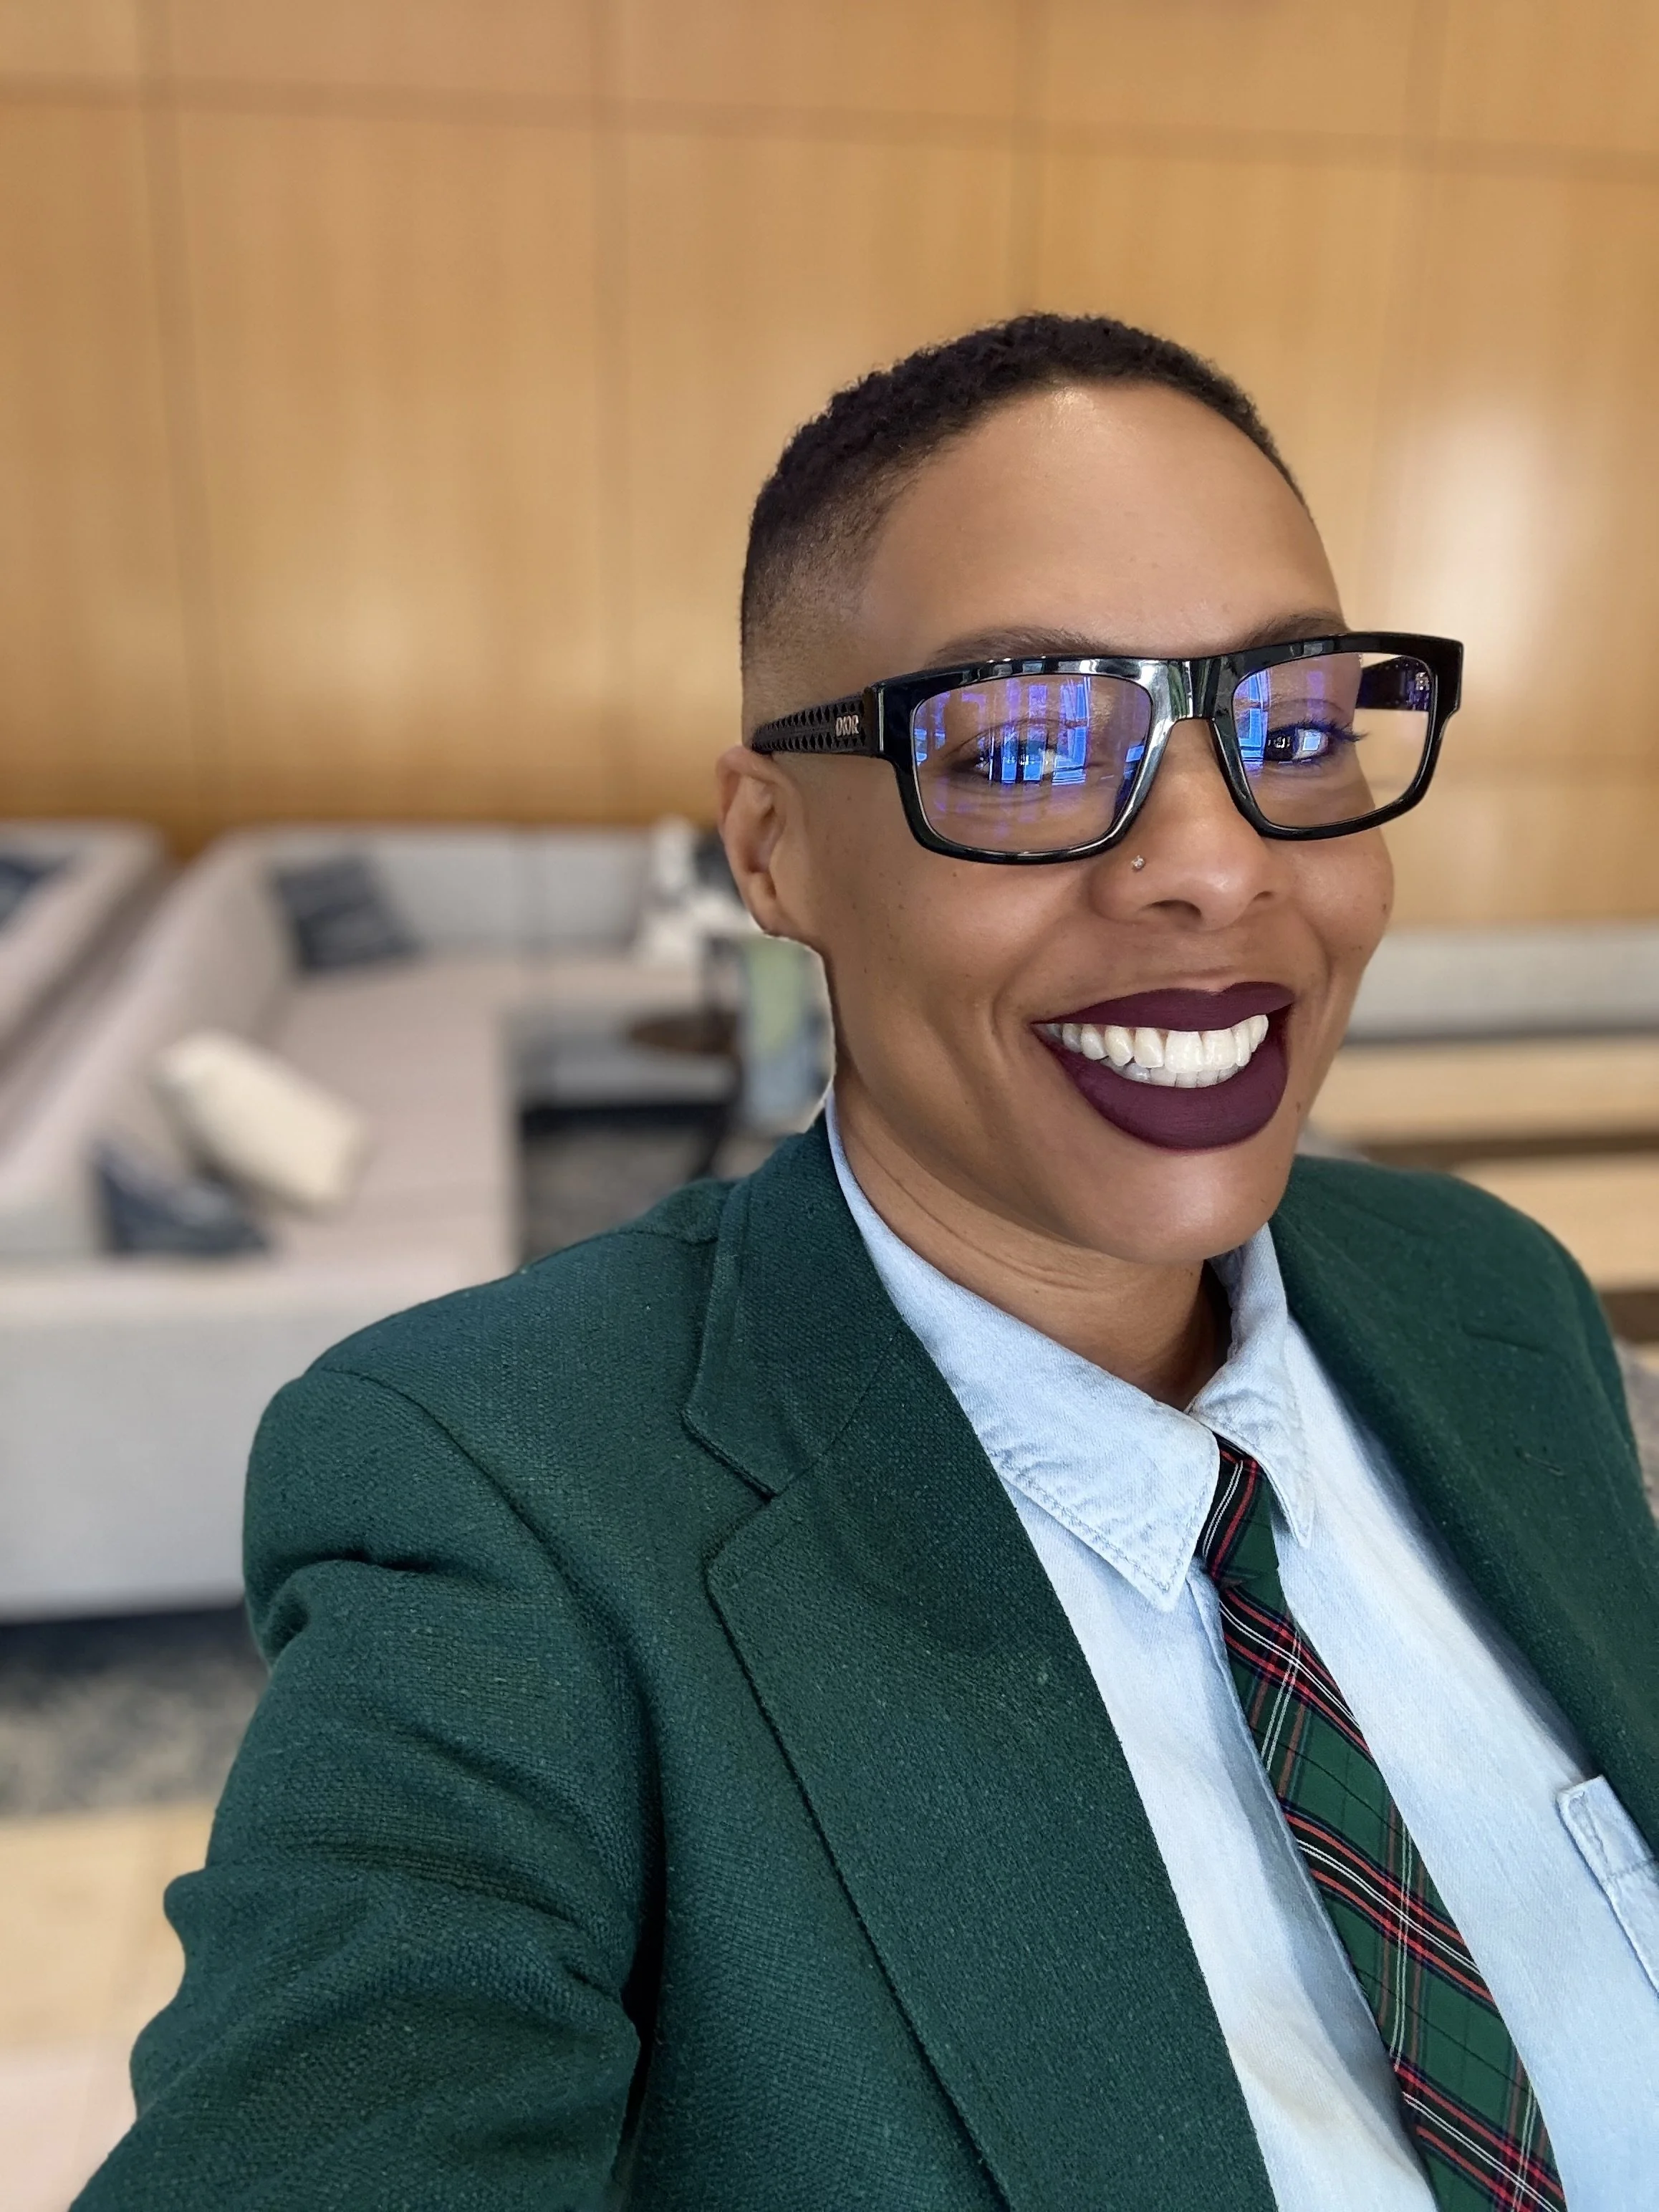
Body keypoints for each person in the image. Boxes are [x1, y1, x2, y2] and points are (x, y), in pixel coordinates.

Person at [79, 316, 1659, 2212]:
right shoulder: (501, 1500)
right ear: (773, 852)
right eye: (1028, 746)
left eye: (1297, 729)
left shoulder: (1489, 1294)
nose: (1218, 865)